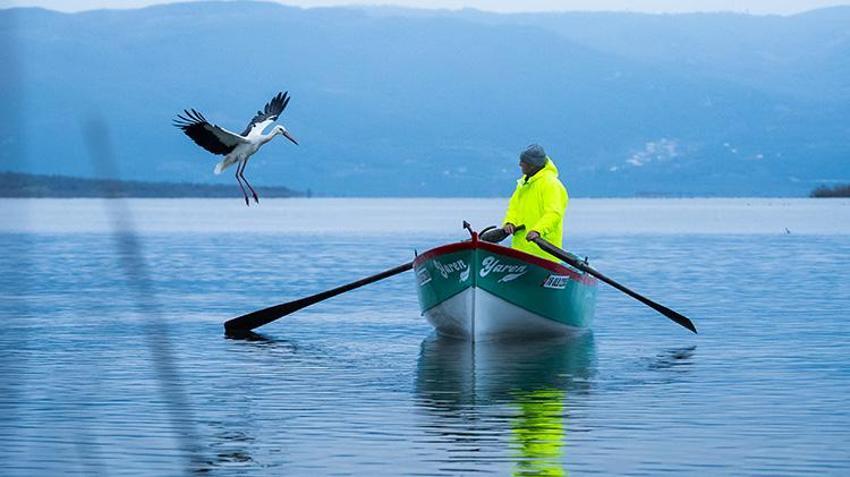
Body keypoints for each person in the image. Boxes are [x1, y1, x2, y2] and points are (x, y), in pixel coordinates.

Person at [502, 144, 568, 262]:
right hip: (519, 252)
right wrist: (509, 222)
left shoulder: (551, 184)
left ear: (533, 165)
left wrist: (537, 230)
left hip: (543, 255)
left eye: (523, 162)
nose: (520, 164)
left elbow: (554, 214)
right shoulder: (523, 184)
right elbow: (514, 208)